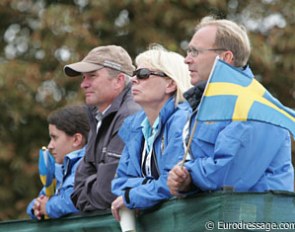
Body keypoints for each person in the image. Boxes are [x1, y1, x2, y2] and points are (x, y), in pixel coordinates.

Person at [167, 16, 294, 196]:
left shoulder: (253, 106)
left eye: (195, 52)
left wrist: (188, 175)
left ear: (225, 57)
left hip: (255, 221)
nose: (186, 60)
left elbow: (230, 174)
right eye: (188, 51)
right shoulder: (205, 104)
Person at [110, 45, 192, 221]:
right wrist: (148, 188)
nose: (133, 80)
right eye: (134, 74)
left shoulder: (182, 121)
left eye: (143, 74)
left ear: (170, 83)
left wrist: (134, 196)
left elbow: (171, 183)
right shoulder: (134, 127)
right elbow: (119, 184)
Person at [63, 45, 141, 211]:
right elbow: (77, 189)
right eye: (83, 78)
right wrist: (93, 184)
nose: (83, 84)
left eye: (92, 76)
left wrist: (89, 188)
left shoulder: (129, 115)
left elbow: (109, 191)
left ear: (119, 80)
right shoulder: (99, 115)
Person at [26, 105, 90, 219]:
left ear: (76, 140)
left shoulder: (88, 166)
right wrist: (35, 207)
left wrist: (48, 207)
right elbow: (41, 199)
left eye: (55, 138)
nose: (50, 146)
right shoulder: (59, 169)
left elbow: (75, 201)